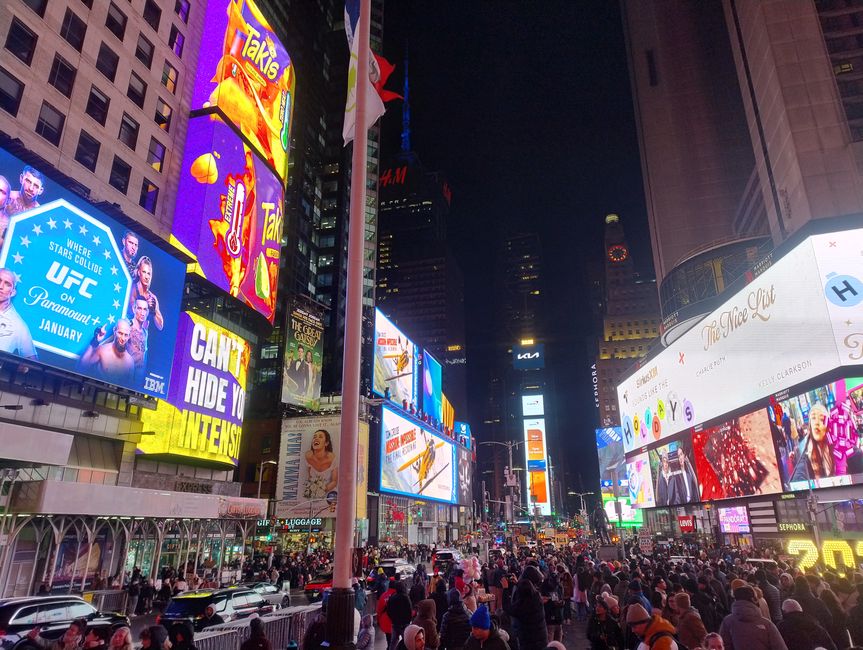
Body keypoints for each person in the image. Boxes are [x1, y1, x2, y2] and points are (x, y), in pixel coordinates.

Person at [719, 585, 787, 650]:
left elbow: (722, 645)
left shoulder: (727, 622)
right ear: (753, 599)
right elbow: (780, 647)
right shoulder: (766, 624)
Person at [79, 319, 135, 384]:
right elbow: (82, 366)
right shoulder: (103, 350)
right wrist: (95, 341)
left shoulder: (130, 362)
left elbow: (128, 387)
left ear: (129, 336)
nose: (123, 338)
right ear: (114, 331)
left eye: (126, 335)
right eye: (120, 333)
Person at [506, 569, 546, 650]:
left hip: (528, 638)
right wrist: (517, 583)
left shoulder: (525, 601)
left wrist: (505, 589)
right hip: (539, 637)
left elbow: (509, 609)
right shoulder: (536, 596)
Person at [0, 268, 36, 359]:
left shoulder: (19, 325)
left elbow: (32, 362)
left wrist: (18, 367)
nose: (1, 286)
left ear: (12, 292)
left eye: (7, 284)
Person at [128, 256, 164, 330]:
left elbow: (160, 326)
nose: (146, 277)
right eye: (144, 272)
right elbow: (131, 312)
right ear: (138, 272)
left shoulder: (152, 297)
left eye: (149, 274)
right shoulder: (132, 289)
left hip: (142, 339)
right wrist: (146, 306)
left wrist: (153, 312)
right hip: (127, 334)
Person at [303, 429, 338, 498]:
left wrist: (321, 491)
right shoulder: (308, 456)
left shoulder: (332, 458)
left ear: (326, 443)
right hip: (313, 496)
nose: (316, 438)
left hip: (330, 495)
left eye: (320, 437)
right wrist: (313, 490)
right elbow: (310, 477)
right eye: (314, 437)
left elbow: (334, 481)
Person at [388, 581, 414, 650]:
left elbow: (389, 610)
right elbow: (409, 610)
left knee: (393, 643)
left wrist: (392, 619)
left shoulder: (392, 597)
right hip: (404, 624)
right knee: (406, 642)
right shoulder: (406, 597)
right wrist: (408, 621)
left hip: (395, 623)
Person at [378, 580, 396, 650]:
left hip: (385, 621)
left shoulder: (383, 596)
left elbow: (379, 610)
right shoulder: (399, 595)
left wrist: (379, 620)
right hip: (395, 622)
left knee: (389, 639)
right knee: (394, 640)